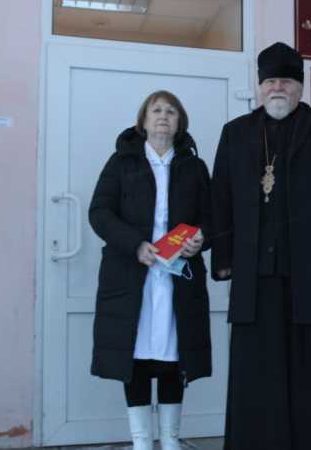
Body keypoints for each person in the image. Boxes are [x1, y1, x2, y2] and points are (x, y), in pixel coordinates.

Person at [211, 41, 311, 450]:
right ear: (259, 87)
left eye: (286, 82)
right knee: (254, 371)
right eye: (270, 81)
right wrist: (223, 258)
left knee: (309, 372)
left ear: (300, 86)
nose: (277, 88)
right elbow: (221, 197)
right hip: (254, 273)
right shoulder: (236, 132)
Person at [89, 90, 212, 450]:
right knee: (136, 354)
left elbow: (212, 216)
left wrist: (201, 239)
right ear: (143, 121)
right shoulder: (121, 163)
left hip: (179, 277)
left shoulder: (194, 167)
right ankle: (142, 442)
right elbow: (100, 213)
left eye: (171, 111)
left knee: (175, 355)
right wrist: (135, 244)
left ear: (180, 122)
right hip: (132, 275)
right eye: (156, 110)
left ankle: (170, 439)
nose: (163, 116)